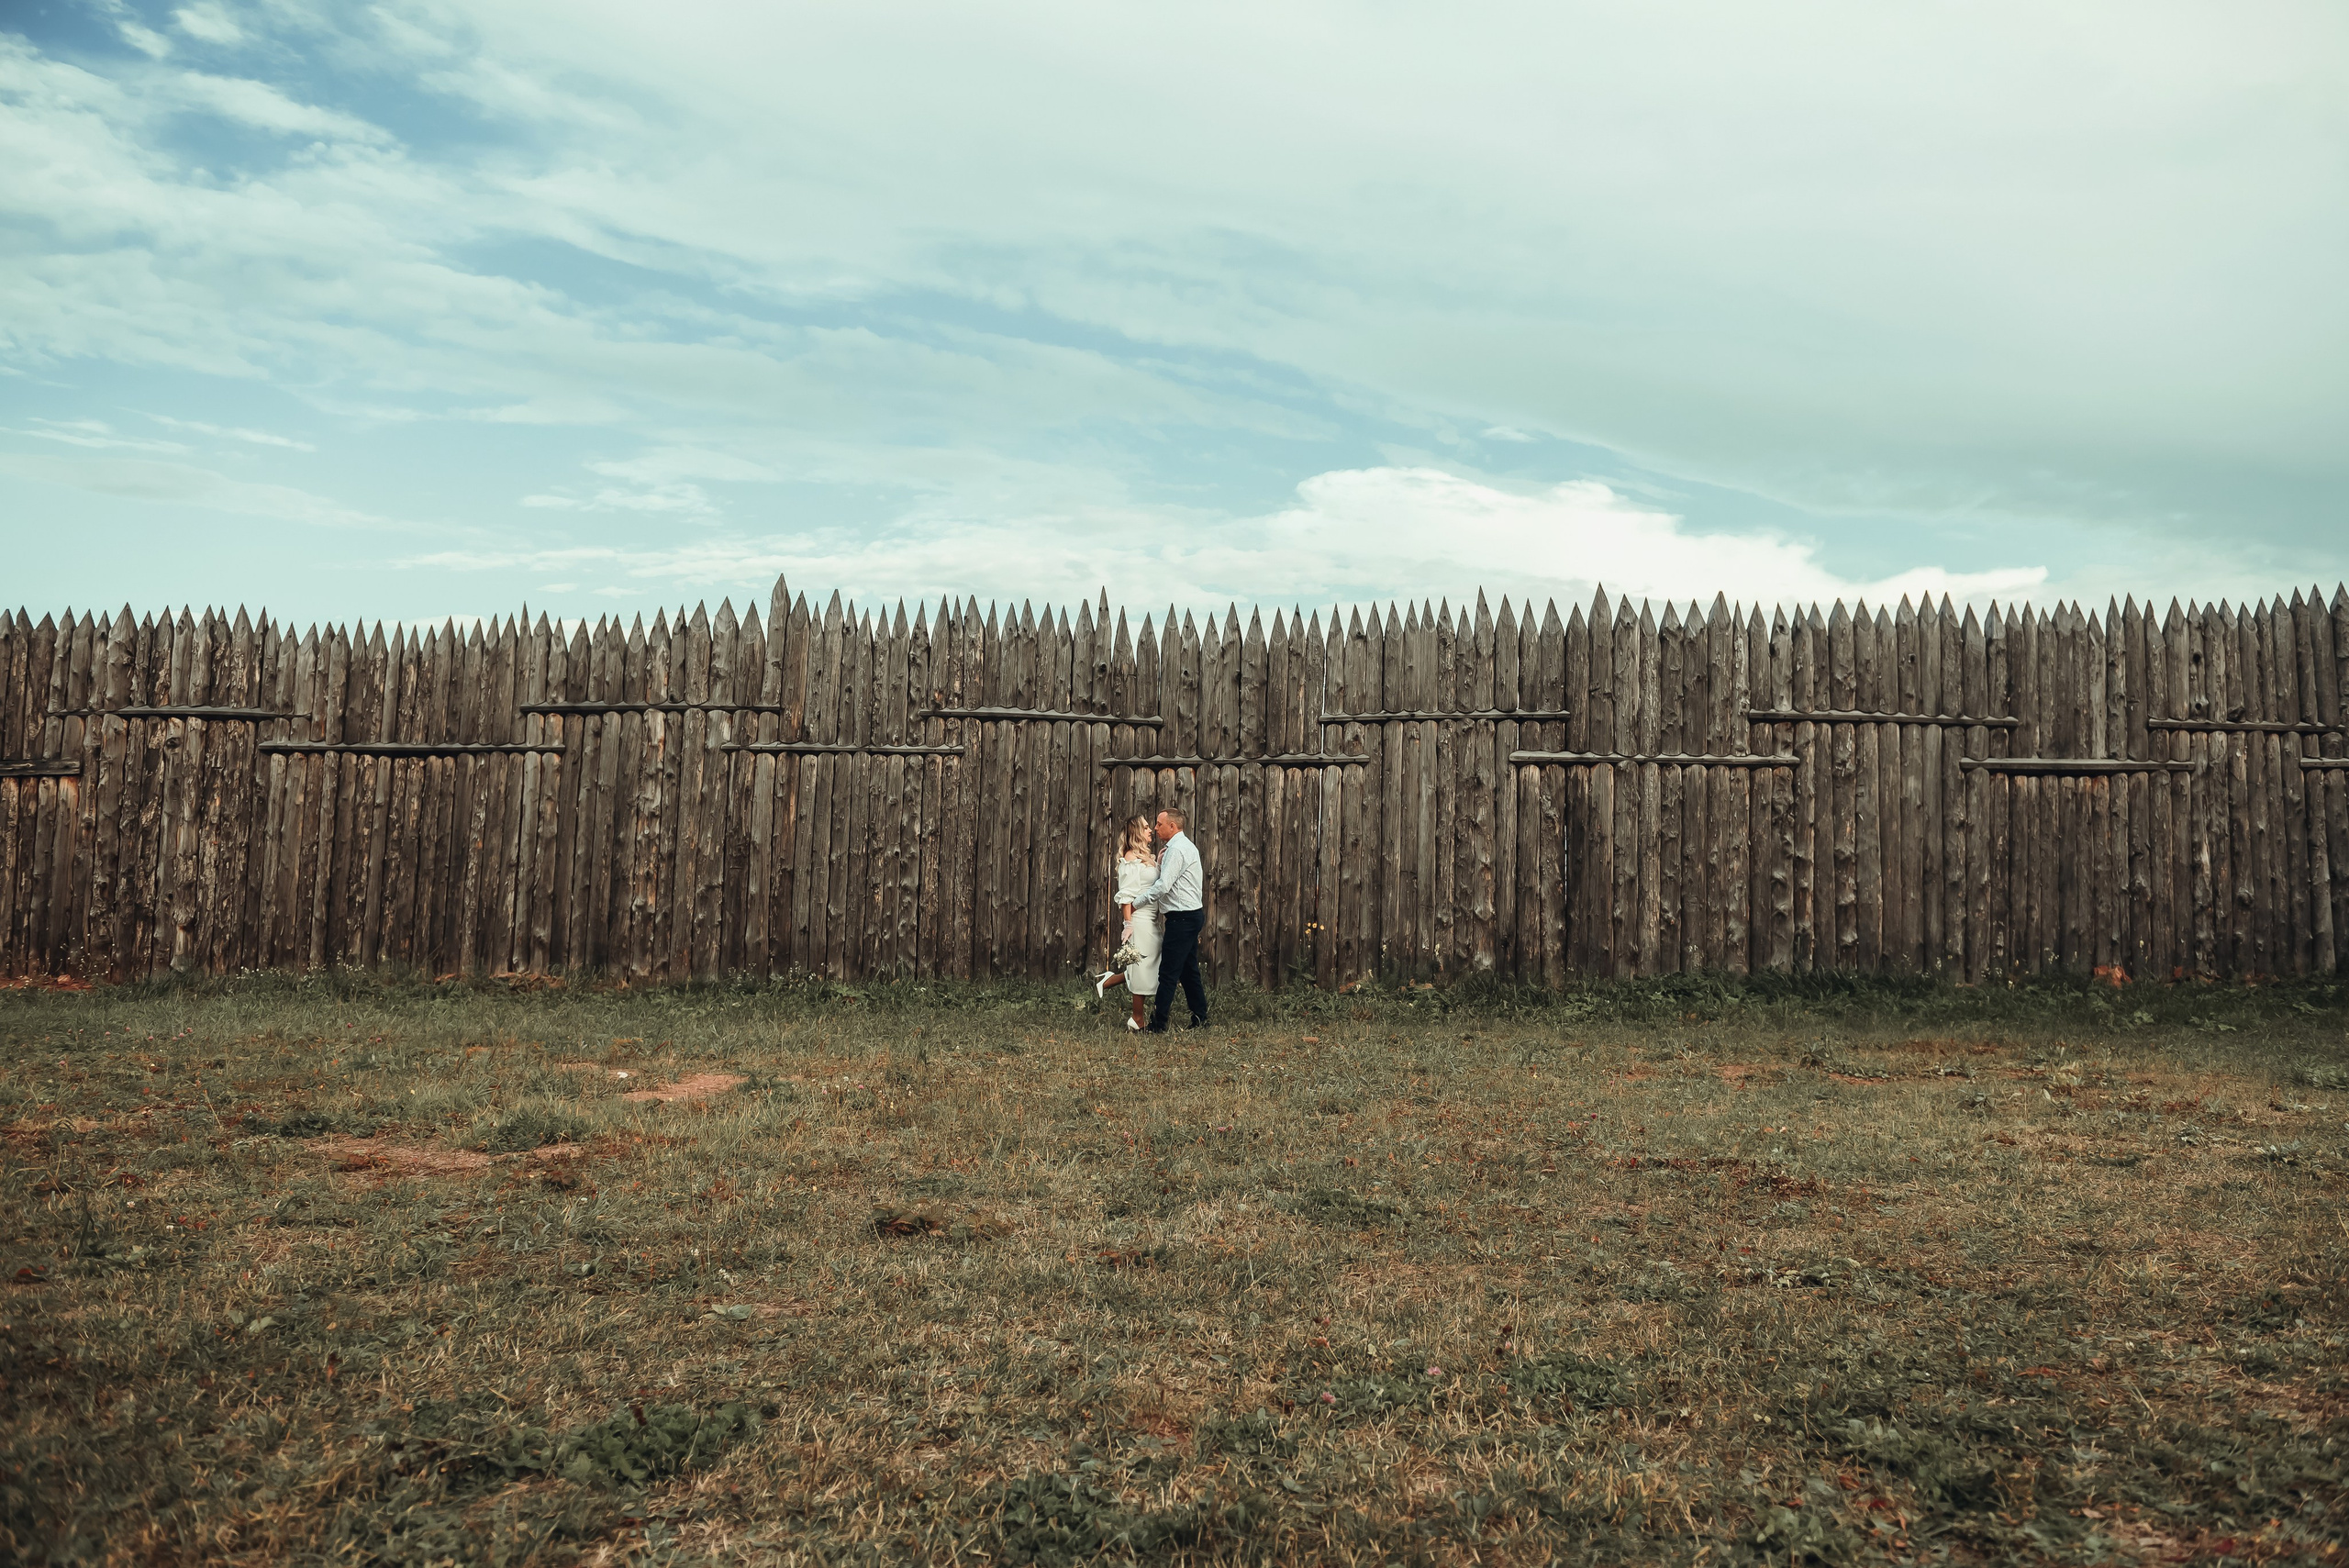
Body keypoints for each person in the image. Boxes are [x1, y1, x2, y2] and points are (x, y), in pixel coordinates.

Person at [1127, 805, 1207, 1033]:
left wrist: (1136, 903)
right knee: (1189, 970)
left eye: (1159, 824)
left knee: (1168, 973)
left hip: (1182, 920)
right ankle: (1200, 1017)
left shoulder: (1178, 849)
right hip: (1188, 917)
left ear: (1172, 826)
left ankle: (1158, 1024)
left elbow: (1163, 885)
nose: (1155, 828)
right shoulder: (1178, 847)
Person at [1094, 814, 1162, 1030]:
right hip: (1139, 919)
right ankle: (1137, 1019)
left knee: (1149, 963)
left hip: (1152, 918)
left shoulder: (1147, 857)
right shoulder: (1131, 858)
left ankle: (1108, 981)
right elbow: (1127, 895)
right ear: (1136, 832)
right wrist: (1128, 923)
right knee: (1142, 965)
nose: (1150, 830)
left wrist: (1158, 861)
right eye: (1146, 827)